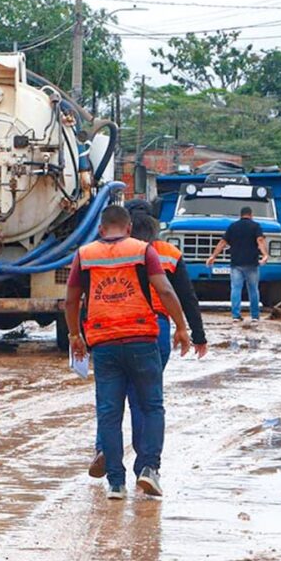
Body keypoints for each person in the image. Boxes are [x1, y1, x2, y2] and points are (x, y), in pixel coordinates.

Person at [65, 205, 192, 500]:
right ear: (129, 228)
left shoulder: (84, 255)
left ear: (100, 229)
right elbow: (165, 291)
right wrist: (181, 327)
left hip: (104, 342)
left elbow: (71, 300)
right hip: (142, 339)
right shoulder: (143, 250)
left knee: (109, 412)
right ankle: (148, 469)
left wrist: (74, 335)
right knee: (151, 406)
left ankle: (116, 483)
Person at [87, 201, 208, 481]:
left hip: (111, 328)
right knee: (145, 400)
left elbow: (86, 296)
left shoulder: (102, 253)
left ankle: (104, 450)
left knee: (111, 400)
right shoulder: (168, 253)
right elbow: (185, 296)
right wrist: (195, 333)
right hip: (155, 330)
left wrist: (80, 336)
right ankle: (146, 466)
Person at [206, 206, 267, 322]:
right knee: (253, 289)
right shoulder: (255, 226)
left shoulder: (233, 226)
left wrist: (213, 256)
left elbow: (223, 242)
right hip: (252, 264)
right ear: (251, 214)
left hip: (236, 264)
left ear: (241, 215)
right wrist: (265, 255)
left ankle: (235, 315)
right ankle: (255, 316)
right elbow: (260, 240)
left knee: (236, 289)